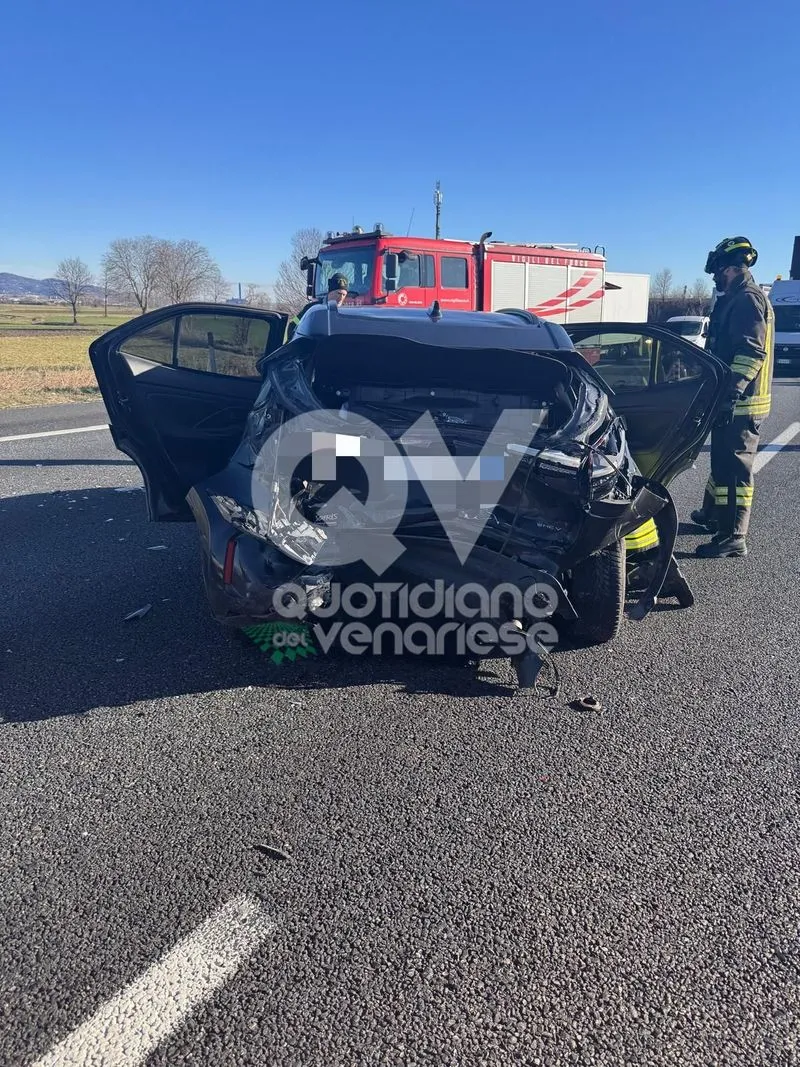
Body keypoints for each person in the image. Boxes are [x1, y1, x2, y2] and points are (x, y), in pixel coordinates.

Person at [691, 237, 773, 558]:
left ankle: (733, 536)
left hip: (742, 402)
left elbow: (750, 354)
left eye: (717, 272)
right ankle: (713, 515)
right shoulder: (737, 298)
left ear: (730, 269)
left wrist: (731, 395)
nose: (715, 278)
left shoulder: (746, 300)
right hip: (733, 400)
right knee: (722, 462)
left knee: (735, 469)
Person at [286, 273, 350, 341]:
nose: (341, 298)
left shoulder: (347, 312)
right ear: (330, 292)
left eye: (344, 295)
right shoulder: (311, 308)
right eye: (338, 293)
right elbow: (293, 323)